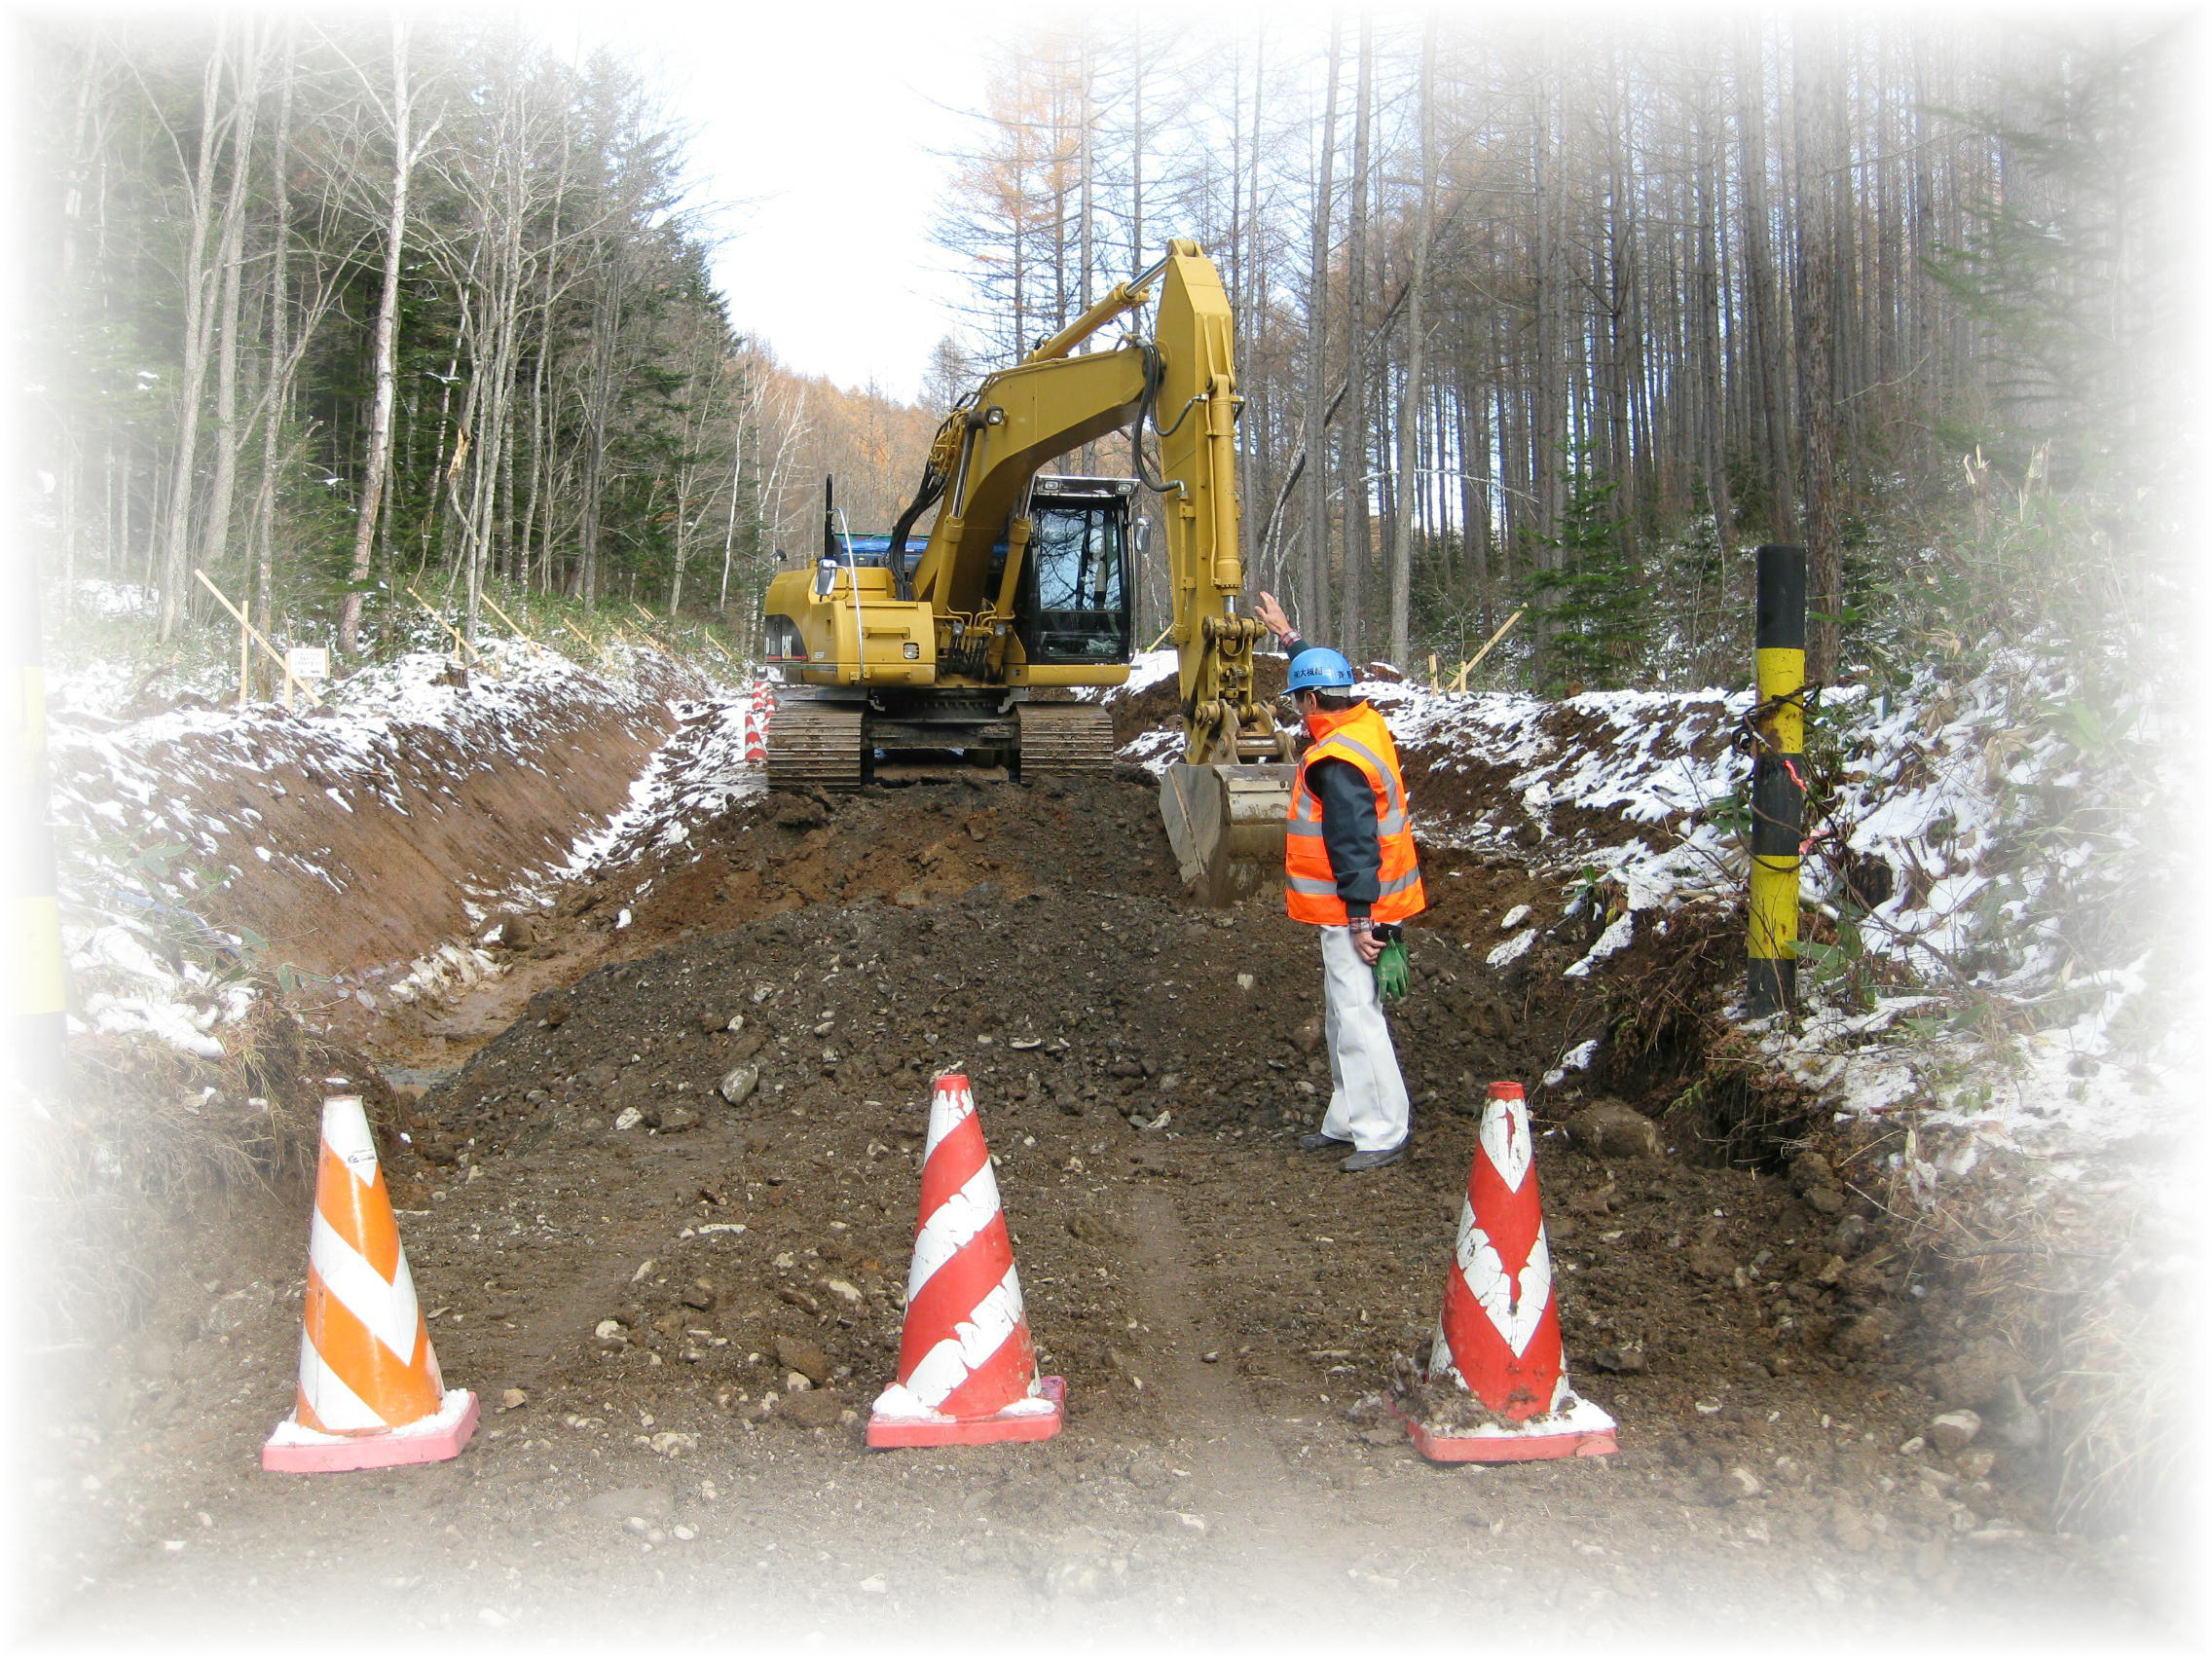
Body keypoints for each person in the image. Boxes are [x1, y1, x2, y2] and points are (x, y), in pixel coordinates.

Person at [1252, 591, 1425, 1173]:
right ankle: (1348, 1119)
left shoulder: (1336, 760)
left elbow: (1354, 843)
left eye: (1299, 701)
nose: (1299, 712)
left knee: (1356, 1015)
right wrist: (1289, 638)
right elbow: (1324, 674)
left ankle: (1381, 1132)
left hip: (1357, 907)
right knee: (1342, 1013)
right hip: (1369, 900)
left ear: (1309, 700)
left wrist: (1360, 917)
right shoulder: (1363, 723)